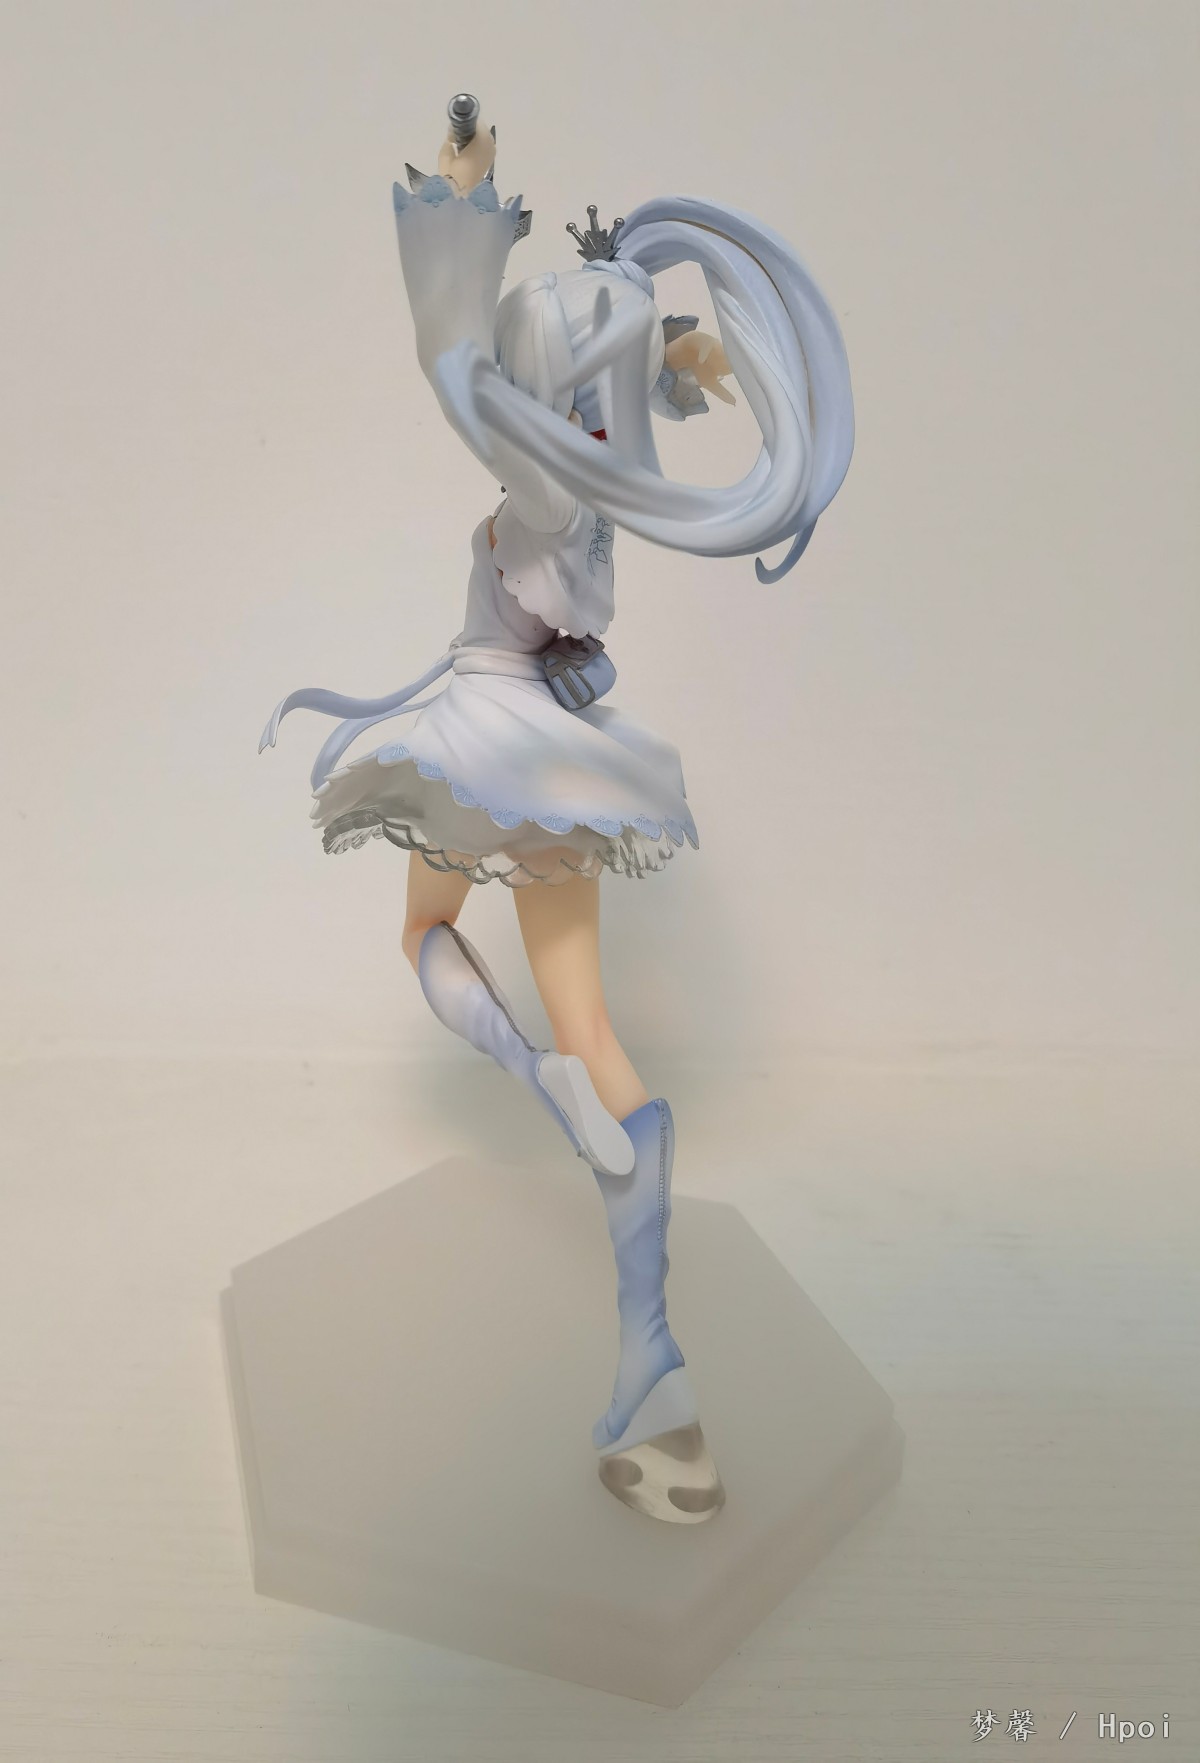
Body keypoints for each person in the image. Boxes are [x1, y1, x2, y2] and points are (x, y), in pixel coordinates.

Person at [261, 100, 854, 1522]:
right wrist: (682, 359)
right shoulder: (599, 508)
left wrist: (455, 201)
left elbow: (456, 370)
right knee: (599, 1028)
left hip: (486, 736)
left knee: (424, 937)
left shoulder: (536, 492)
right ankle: (659, 1383)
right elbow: (587, 397)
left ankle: (537, 1087)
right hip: (565, 753)